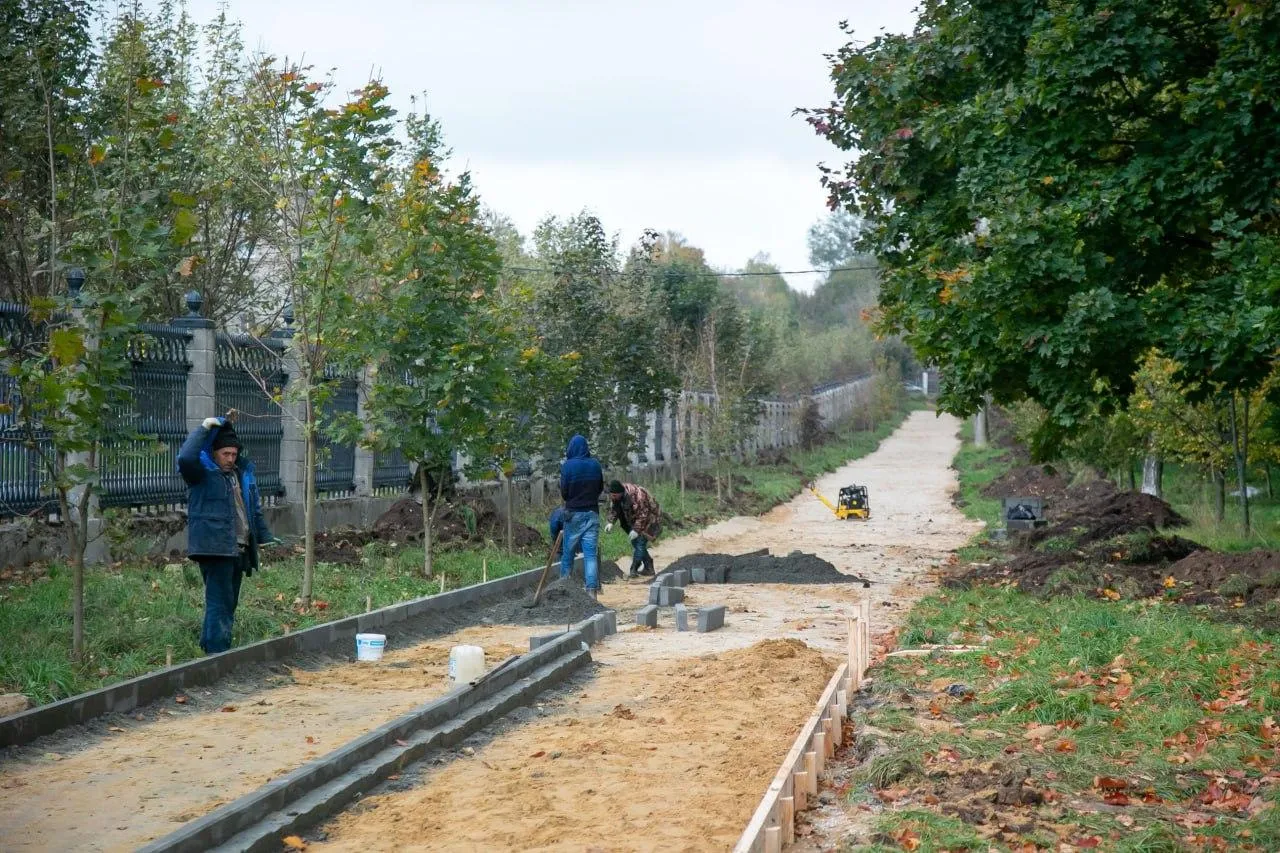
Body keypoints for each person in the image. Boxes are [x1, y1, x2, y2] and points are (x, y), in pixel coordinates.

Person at [177, 416, 276, 654]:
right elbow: (185, 457)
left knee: (227, 603)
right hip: (214, 547)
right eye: (225, 454)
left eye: (233, 454)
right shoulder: (201, 475)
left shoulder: (240, 475)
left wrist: (265, 537)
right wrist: (203, 428)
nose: (230, 459)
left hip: (237, 548)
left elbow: (252, 509)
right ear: (213, 452)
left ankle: (209, 649)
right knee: (220, 603)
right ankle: (217, 655)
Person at [558, 434, 603, 597]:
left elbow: (564, 492)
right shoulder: (595, 465)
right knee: (590, 555)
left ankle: (563, 588)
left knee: (568, 552)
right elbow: (599, 488)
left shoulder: (567, 467)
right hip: (592, 513)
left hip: (573, 514)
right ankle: (591, 592)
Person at [605, 480, 661, 578]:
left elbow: (643, 514)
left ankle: (634, 569)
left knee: (640, 543)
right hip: (633, 520)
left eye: (614, 495)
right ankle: (648, 566)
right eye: (611, 495)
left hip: (649, 518)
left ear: (620, 493)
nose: (612, 497)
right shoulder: (616, 497)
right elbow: (614, 509)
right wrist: (610, 522)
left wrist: (636, 529)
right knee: (635, 542)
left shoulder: (638, 495)